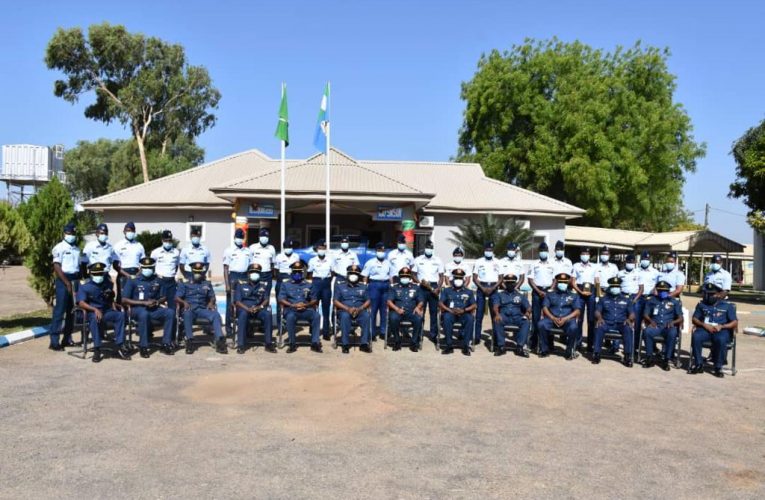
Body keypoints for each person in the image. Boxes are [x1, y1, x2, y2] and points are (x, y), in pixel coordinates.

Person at [121, 257, 175, 358]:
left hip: (154, 308)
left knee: (170, 312)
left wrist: (157, 301)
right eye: (145, 267)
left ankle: (166, 343)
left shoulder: (158, 280)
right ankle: (143, 346)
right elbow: (124, 300)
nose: (147, 269)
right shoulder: (133, 280)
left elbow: (164, 296)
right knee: (144, 314)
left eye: (150, 267)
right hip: (137, 309)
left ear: (153, 268)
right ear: (141, 268)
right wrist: (144, 303)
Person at [76, 262, 129, 363]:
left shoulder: (107, 283)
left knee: (120, 315)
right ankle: (97, 349)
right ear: (91, 274)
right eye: (96, 274)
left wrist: (112, 300)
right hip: (92, 312)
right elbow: (81, 303)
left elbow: (110, 298)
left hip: (106, 311)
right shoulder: (85, 286)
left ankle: (120, 345)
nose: (99, 276)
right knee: (95, 318)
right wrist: (94, 309)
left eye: (100, 274)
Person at [176, 262, 226, 355]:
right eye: (196, 272)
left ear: (202, 272)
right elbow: (177, 297)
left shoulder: (207, 284)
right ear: (192, 271)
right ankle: (189, 340)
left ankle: (220, 340)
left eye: (199, 272)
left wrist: (211, 302)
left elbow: (212, 296)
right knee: (187, 314)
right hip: (190, 308)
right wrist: (184, 302)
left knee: (215, 314)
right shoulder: (184, 284)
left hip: (203, 309)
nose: (198, 274)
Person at [689, 282, 737, 378]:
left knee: (721, 339)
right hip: (705, 329)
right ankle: (699, 364)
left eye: (712, 294)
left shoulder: (727, 305)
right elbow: (695, 318)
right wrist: (704, 325)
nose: (710, 296)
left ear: (718, 294)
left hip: (721, 330)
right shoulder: (701, 304)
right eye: (708, 294)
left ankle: (718, 367)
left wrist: (722, 326)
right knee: (696, 336)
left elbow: (734, 322)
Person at [49, 222, 82, 351]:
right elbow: (57, 267)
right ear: (64, 234)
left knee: (72, 312)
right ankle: (54, 341)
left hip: (75, 280)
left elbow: (78, 267)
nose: (71, 235)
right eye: (69, 233)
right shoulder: (59, 247)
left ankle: (67, 339)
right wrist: (67, 283)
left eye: (73, 233)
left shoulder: (77, 249)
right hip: (63, 280)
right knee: (60, 311)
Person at [279, 260, 321, 353]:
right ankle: (292, 344)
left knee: (316, 316)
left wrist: (305, 305)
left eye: (299, 272)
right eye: (295, 272)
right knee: (290, 317)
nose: (297, 273)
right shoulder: (285, 284)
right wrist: (293, 305)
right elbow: (281, 299)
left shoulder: (309, 284)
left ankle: (315, 343)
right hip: (291, 309)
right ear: (292, 272)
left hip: (306, 309)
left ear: (302, 273)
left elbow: (314, 299)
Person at [592, 277, 635, 367]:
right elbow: (597, 311)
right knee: (599, 327)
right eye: (613, 286)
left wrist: (629, 319)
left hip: (621, 323)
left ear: (620, 288)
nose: (615, 288)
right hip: (607, 322)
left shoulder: (626, 300)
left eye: (617, 286)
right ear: (610, 288)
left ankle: (628, 356)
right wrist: (599, 318)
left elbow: (632, 313)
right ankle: (596, 354)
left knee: (628, 329)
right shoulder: (603, 299)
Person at [537, 272, 581, 359]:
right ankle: (544, 350)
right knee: (541, 324)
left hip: (567, 319)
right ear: (557, 282)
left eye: (564, 282)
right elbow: (545, 307)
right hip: (551, 318)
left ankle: (569, 351)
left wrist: (565, 318)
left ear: (568, 283)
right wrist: (552, 318)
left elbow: (577, 311)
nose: (562, 284)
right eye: (561, 282)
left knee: (574, 327)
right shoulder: (550, 294)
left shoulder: (573, 295)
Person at [641, 280, 683, 370]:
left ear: (668, 291)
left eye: (664, 291)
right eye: (660, 291)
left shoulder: (674, 302)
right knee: (647, 331)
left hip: (668, 326)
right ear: (657, 291)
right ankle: (649, 357)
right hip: (656, 325)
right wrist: (650, 320)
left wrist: (673, 322)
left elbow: (680, 318)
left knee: (672, 333)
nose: (662, 293)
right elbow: (645, 314)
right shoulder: (651, 300)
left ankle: (666, 360)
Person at [234, 263, 275, 354]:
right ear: (248, 274)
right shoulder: (241, 284)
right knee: (243, 314)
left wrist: (259, 307)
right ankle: (241, 345)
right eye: (252, 272)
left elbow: (266, 299)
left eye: (257, 272)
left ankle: (268, 343)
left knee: (268, 314)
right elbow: (237, 301)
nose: (254, 274)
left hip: (259, 309)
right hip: (245, 308)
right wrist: (247, 309)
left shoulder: (263, 285)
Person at [333, 264, 372, 354]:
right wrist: (347, 309)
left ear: (358, 276)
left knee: (366, 316)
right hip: (344, 311)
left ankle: (364, 344)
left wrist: (360, 308)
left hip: (360, 310)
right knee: (345, 317)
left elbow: (368, 300)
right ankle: (345, 344)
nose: (353, 276)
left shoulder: (363, 287)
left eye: (355, 274)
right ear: (347, 274)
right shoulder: (340, 286)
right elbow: (335, 301)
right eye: (351, 273)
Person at [491, 273, 531, 358]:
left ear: (515, 284)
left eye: (512, 283)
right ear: (505, 283)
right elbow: (495, 306)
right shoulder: (499, 295)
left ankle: (520, 347)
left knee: (526, 322)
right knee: (497, 320)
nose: (510, 284)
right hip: (504, 316)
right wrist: (497, 314)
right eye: (508, 283)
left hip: (517, 317)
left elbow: (528, 307)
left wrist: (527, 313)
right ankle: (501, 347)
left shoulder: (520, 295)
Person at [223, 228, 253, 337]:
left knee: (245, 303)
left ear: (243, 238)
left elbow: (250, 267)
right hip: (233, 277)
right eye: (238, 237)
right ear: (234, 238)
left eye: (241, 237)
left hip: (245, 277)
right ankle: (229, 330)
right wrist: (227, 284)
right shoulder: (229, 250)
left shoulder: (248, 251)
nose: (239, 239)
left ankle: (246, 329)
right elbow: (226, 268)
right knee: (230, 305)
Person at [386, 267, 425, 352]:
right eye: (403, 277)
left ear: (410, 278)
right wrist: (396, 309)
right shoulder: (394, 287)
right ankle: (397, 341)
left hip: (412, 311)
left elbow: (421, 300)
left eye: (407, 277)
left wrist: (418, 307)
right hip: (398, 311)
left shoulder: (416, 287)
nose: (405, 278)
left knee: (419, 318)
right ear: (399, 277)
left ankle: (414, 343)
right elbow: (389, 301)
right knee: (393, 318)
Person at [439, 268, 476, 356]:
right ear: (453, 279)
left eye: (460, 278)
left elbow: (474, 305)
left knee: (470, 319)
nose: (458, 280)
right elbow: (440, 303)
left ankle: (465, 346)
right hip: (450, 313)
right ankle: (449, 346)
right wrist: (449, 310)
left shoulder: (469, 291)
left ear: (463, 279)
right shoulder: (447, 290)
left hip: (464, 313)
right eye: (456, 278)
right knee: (446, 317)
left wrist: (464, 310)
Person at [414, 240, 444, 342]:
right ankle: (419, 333)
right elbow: (413, 274)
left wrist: (438, 288)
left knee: (434, 312)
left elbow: (441, 276)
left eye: (430, 248)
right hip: (422, 288)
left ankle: (433, 335)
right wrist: (419, 282)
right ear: (424, 248)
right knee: (421, 311)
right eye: (427, 247)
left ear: (432, 249)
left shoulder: (438, 260)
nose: (428, 249)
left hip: (433, 287)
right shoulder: (418, 260)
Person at [612, 253, 643, 353]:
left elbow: (641, 288)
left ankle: (634, 347)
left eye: (632, 262)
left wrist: (635, 299)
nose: (630, 263)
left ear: (635, 262)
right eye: (629, 262)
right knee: (619, 319)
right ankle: (615, 346)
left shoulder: (638, 273)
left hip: (634, 297)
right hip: (622, 296)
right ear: (626, 262)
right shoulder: (620, 273)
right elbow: (617, 286)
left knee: (635, 323)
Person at [472, 241, 501, 345]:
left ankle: (496, 337)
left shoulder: (498, 262)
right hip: (481, 289)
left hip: (494, 289)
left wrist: (493, 288)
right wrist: (482, 288)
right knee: (479, 314)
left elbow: (501, 278)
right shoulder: (479, 262)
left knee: (495, 314)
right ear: (484, 250)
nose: (489, 252)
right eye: (487, 250)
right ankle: (477, 337)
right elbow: (474, 278)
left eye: (491, 250)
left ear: (493, 251)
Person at [527, 241, 555, 351]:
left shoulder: (552, 264)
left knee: (549, 317)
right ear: (539, 252)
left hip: (548, 292)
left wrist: (550, 291)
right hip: (537, 292)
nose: (543, 253)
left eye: (545, 251)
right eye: (542, 251)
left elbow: (555, 280)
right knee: (535, 318)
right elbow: (530, 279)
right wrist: (538, 291)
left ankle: (549, 343)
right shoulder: (534, 264)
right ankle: (534, 343)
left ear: (548, 252)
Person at [362, 242, 392, 340]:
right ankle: (372, 332)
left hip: (386, 285)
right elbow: (365, 277)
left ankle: (383, 331)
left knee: (384, 310)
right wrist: (364, 289)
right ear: (376, 251)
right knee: (373, 310)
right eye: (379, 250)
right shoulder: (370, 262)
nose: (381, 252)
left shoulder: (388, 262)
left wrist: (391, 287)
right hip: (374, 285)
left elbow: (391, 276)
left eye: (383, 251)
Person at [571, 247, 596, 352]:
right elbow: (573, 281)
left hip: (591, 292)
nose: (585, 255)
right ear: (580, 255)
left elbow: (597, 280)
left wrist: (597, 295)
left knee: (591, 320)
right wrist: (580, 292)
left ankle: (590, 345)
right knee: (579, 319)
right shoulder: (576, 266)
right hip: (580, 292)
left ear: (589, 255)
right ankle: (578, 343)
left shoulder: (594, 266)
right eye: (583, 253)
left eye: (587, 253)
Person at [150, 230, 181, 316]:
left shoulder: (176, 252)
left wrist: (176, 276)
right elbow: (151, 266)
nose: (168, 242)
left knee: (172, 304)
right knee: (156, 301)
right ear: (162, 240)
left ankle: (172, 325)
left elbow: (177, 265)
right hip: (160, 280)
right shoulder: (156, 252)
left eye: (170, 240)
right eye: (166, 240)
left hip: (171, 281)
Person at [81, 223, 120, 288]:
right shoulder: (90, 246)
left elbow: (115, 261)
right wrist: (86, 276)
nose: (104, 235)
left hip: (105, 276)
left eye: (105, 233)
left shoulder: (110, 248)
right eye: (101, 233)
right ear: (97, 234)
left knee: (107, 296)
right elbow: (83, 262)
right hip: (93, 276)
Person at [113, 222, 145, 302]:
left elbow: (143, 263)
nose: (130, 232)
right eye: (128, 230)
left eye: (132, 231)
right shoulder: (118, 245)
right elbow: (115, 265)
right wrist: (127, 275)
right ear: (124, 231)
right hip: (123, 275)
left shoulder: (139, 245)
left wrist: (137, 274)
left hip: (136, 274)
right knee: (122, 298)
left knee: (135, 297)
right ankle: (122, 314)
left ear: (134, 232)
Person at [308, 239, 333, 340]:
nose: (321, 250)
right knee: (314, 307)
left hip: (326, 283)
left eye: (323, 248)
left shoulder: (330, 260)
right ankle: (313, 330)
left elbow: (333, 272)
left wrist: (327, 281)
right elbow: (309, 274)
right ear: (317, 249)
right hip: (316, 283)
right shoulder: (312, 260)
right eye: (320, 248)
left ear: (325, 249)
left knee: (326, 309)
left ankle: (326, 332)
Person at [634, 250, 658, 352]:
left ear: (650, 260)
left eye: (647, 259)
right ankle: (635, 346)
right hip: (639, 298)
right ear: (640, 260)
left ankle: (652, 346)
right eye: (644, 259)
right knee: (637, 322)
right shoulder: (636, 271)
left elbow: (657, 285)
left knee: (650, 322)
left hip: (651, 299)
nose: (645, 261)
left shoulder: (655, 272)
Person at [274, 239, 299, 320]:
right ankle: (279, 323)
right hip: (282, 278)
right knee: (280, 301)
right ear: (284, 247)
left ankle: (290, 321)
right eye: (287, 247)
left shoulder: (296, 256)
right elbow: (276, 270)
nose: (288, 248)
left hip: (292, 278)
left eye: (290, 247)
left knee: (292, 301)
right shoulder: (279, 257)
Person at [249, 227, 277, 298]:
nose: (264, 238)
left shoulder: (271, 248)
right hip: (256, 274)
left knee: (266, 295)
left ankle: (265, 308)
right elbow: (249, 262)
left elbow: (273, 263)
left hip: (267, 275)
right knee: (255, 294)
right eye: (262, 236)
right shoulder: (253, 247)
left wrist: (272, 275)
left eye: (266, 237)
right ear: (259, 237)